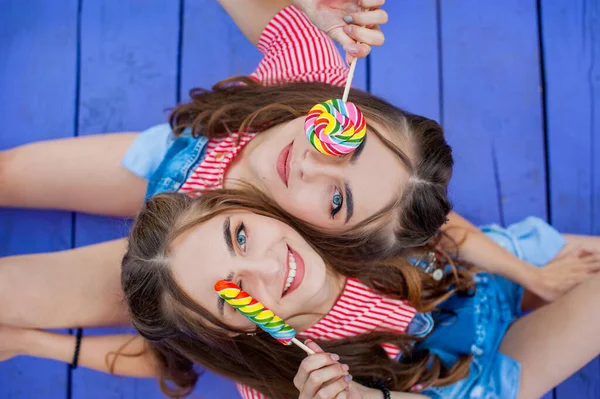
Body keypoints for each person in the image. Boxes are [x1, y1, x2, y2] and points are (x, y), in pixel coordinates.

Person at [3, 190, 599, 399]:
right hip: (475, 373)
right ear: (231, 329)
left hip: (491, 269)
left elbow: (441, 227)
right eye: (233, 294)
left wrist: (534, 276)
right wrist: (31, 340)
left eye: (241, 236)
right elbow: (157, 361)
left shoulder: (328, 211)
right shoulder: (287, 380)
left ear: (245, 208)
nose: (268, 265)